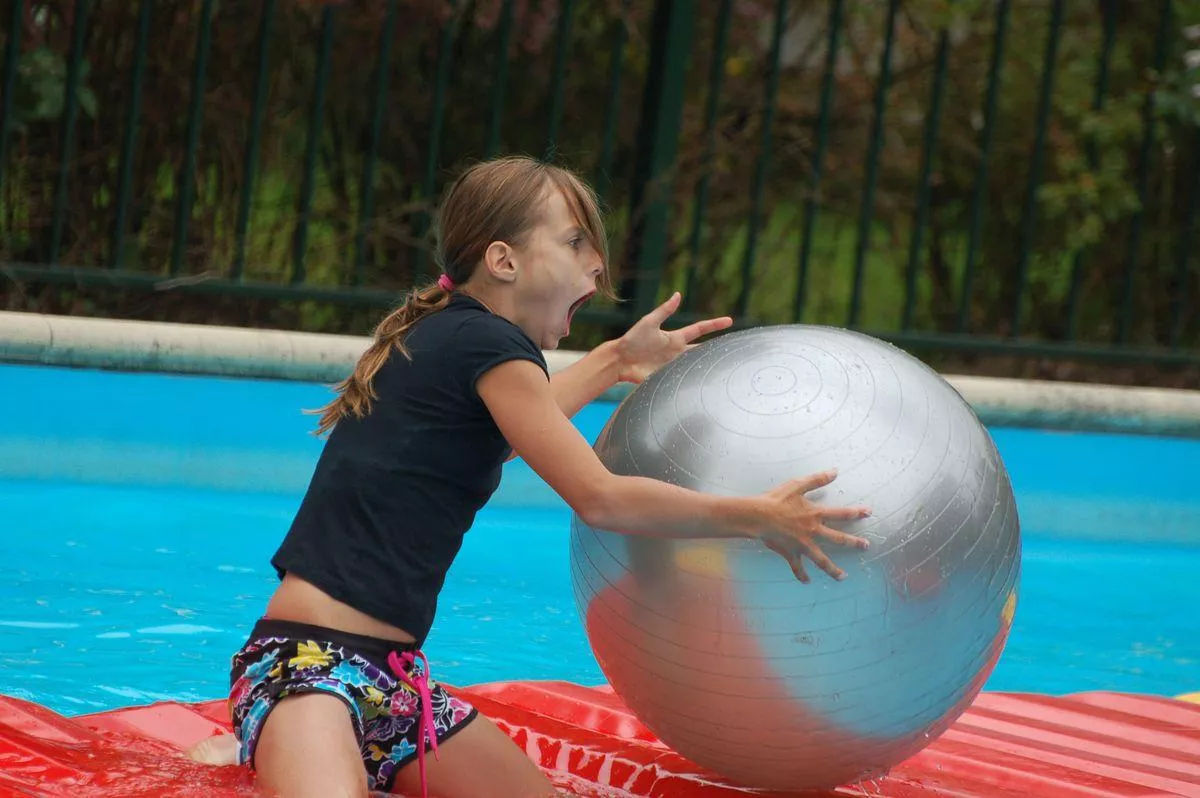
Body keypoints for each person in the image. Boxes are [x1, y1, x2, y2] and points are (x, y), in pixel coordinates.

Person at [196, 155, 871, 798]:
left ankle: (282, 746)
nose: (597, 261)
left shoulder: (451, 335)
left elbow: (509, 443)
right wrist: (757, 515)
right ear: (503, 260)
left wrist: (613, 359)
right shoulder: (489, 343)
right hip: (307, 669)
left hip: (393, 689)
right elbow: (599, 496)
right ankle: (281, 736)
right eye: (576, 241)